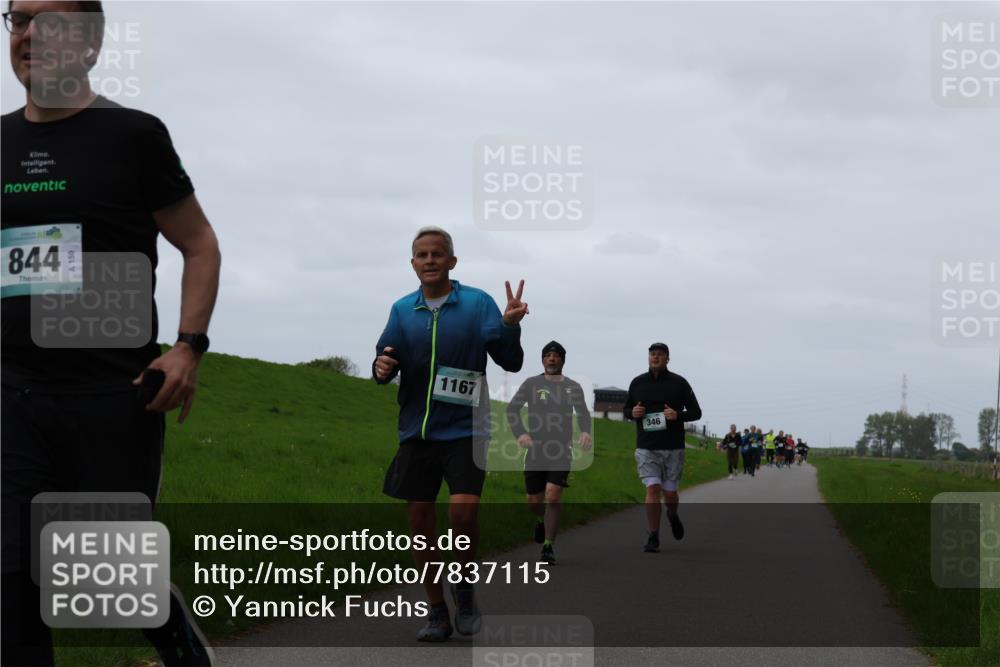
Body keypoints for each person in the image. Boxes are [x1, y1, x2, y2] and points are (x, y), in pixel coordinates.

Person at [1, 3, 221, 665]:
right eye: (15, 19)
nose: (28, 33)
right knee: (12, 585)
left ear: (92, 43)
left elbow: (200, 244)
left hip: (112, 395)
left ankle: (173, 634)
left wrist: (188, 346)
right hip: (12, 398)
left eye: (50, 20)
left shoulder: (133, 136)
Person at [373, 226, 526, 641]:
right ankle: (437, 610)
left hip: (467, 430)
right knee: (420, 522)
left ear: (452, 261)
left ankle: (464, 589)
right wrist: (382, 367)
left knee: (463, 514)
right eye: (421, 255)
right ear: (412, 263)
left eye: (437, 254)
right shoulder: (403, 309)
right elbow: (386, 356)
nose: (429, 261)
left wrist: (510, 326)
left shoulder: (477, 304)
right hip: (417, 431)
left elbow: (509, 361)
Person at [506, 341, 592, 565]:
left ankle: (548, 547)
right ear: (543, 360)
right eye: (548, 355)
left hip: (561, 449)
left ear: (563, 360)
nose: (552, 359)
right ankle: (540, 520)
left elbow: (582, 412)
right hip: (535, 449)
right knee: (534, 501)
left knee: (553, 495)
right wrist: (520, 434)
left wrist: (585, 432)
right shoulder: (532, 383)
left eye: (556, 355)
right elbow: (512, 409)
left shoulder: (573, 386)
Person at [622, 343, 702, 553]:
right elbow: (626, 409)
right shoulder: (638, 383)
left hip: (673, 446)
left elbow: (696, 412)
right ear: (648, 357)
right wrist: (633, 413)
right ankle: (653, 535)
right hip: (647, 446)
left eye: (660, 354)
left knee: (670, 494)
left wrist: (678, 415)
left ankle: (672, 514)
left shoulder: (679, 383)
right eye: (652, 354)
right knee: (653, 489)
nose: (655, 357)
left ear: (668, 358)